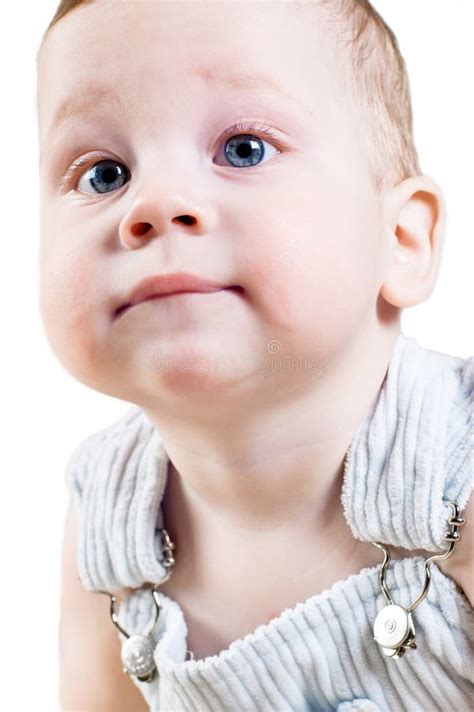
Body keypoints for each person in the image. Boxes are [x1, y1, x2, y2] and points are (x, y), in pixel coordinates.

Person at [36, 1, 473, 709]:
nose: (154, 202)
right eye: (104, 173)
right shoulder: (110, 526)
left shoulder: (458, 479)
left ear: (403, 242)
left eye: (243, 148)